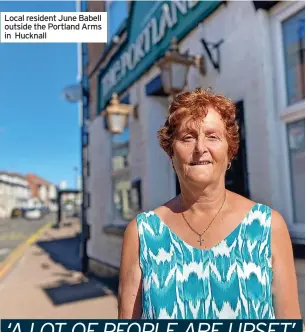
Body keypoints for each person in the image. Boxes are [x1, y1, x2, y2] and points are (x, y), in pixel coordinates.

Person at [118, 88, 302, 319]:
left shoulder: (268, 226)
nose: (200, 148)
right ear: (171, 152)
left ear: (229, 151)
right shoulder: (142, 233)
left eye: (212, 136)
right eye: (188, 137)